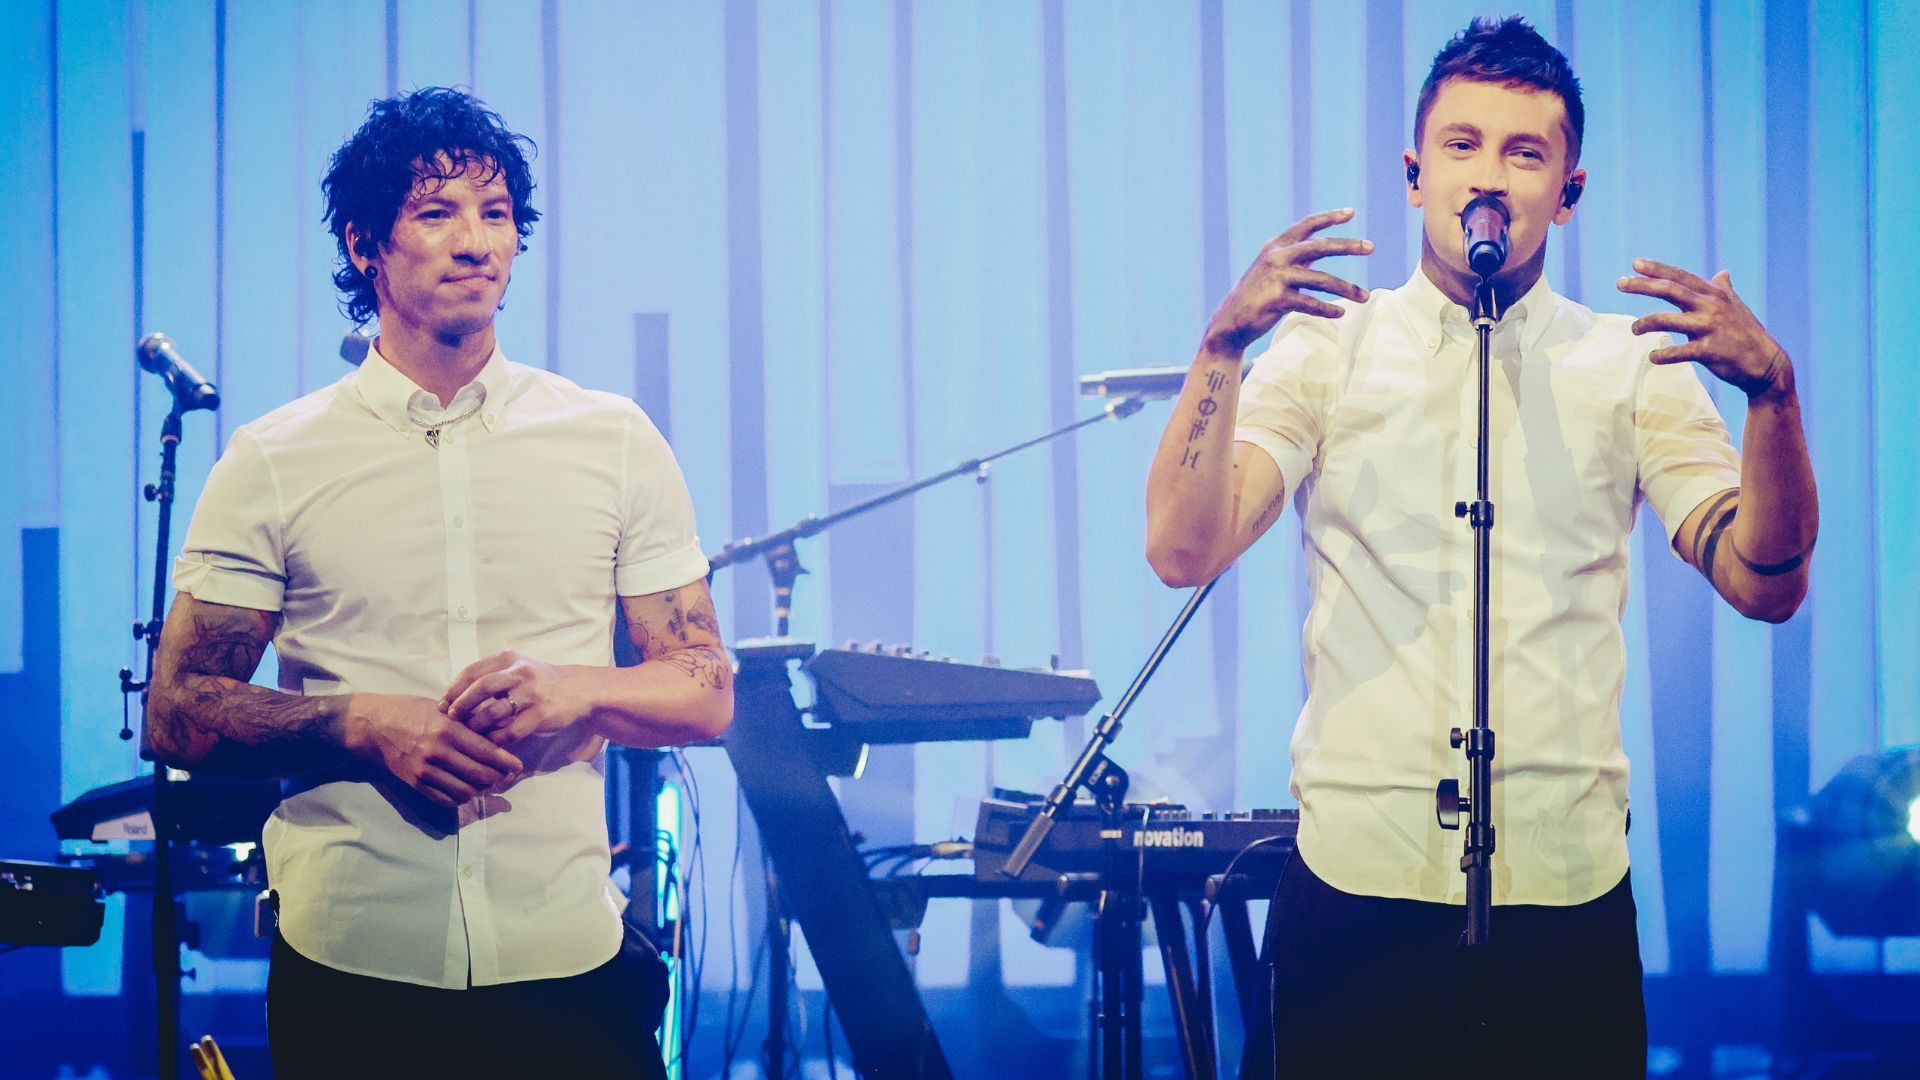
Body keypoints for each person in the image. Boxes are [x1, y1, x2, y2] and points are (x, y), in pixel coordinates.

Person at [1144, 16, 1816, 1077]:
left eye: (1524, 152)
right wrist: (1224, 345)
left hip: (1564, 898)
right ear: (1415, 176)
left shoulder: (1631, 363)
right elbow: (1183, 552)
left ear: (1569, 189)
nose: (1488, 177)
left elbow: (1764, 580)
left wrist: (1774, 398)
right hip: (1357, 892)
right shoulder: (1329, 347)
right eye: (1460, 146)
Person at [142, 87, 729, 1080]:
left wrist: (576, 688)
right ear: (365, 242)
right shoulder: (274, 457)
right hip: (355, 967)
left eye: (496, 215)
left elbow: (706, 686)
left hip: (568, 965)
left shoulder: (612, 437)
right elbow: (178, 713)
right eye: (436, 212)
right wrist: (364, 723)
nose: (476, 243)